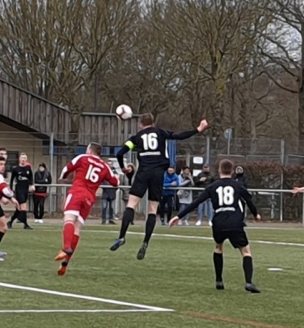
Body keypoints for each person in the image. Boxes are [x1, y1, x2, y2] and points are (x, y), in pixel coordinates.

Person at [111, 113, 209, 259]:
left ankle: (122, 236)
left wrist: (123, 168)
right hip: (158, 174)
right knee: (152, 209)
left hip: (143, 173)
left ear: (140, 124)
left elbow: (120, 153)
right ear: (153, 123)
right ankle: (145, 242)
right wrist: (197, 130)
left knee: (131, 205)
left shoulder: (136, 138)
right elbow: (179, 136)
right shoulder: (161, 133)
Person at [170, 158, 261, 292]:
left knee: (219, 247)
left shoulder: (212, 186)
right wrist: (256, 214)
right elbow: (249, 201)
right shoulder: (237, 186)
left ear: (219, 171)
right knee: (246, 251)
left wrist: (179, 216)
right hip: (235, 221)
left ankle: (219, 280)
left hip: (218, 221)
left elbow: (196, 202)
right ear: (232, 171)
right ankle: (249, 282)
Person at [54, 143, 119, 276]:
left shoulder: (83, 158)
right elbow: (115, 182)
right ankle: (65, 262)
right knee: (77, 228)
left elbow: (67, 168)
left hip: (77, 192)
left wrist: (63, 177)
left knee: (69, 219)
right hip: (89, 198)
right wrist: (118, 178)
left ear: (89, 150)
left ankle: (66, 247)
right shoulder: (105, 166)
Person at [8, 153, 34, 229]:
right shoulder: (16, 169)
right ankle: (25, 224)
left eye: (24, 158)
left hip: (25, 189)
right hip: (19, 189)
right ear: (19, 159)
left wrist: (32, 185)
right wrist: (11, 189)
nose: (23, 159)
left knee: (19, 209)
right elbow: (12, 180)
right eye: (22, 158)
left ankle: (10, 222)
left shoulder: (28, 168)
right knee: (23, 206)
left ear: (26, 159)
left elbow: (31, 177)